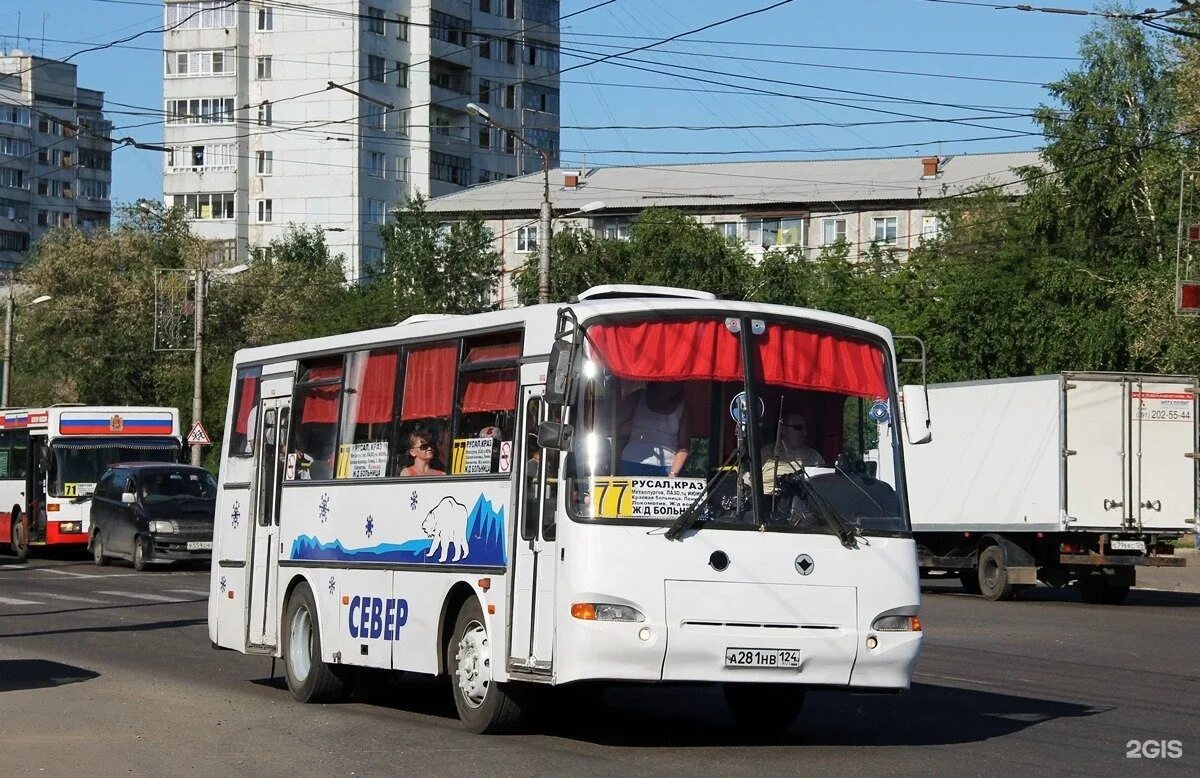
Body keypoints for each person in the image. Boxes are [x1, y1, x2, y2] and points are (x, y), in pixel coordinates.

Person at [618, 381, 691, 477]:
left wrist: (673, 474)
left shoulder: (683, 407)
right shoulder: (638, 397)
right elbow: (614, 422)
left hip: (667, 467)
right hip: (632, 461)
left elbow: (684, 447)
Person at [759, 410, 825, 493]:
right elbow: (748, 481)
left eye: (805, 428)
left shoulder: (814, 456)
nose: (804, 432)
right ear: (783, 429)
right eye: (798, 427)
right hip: (770, 503)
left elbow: (823, 484)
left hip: (803, 503)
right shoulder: (766, 454)